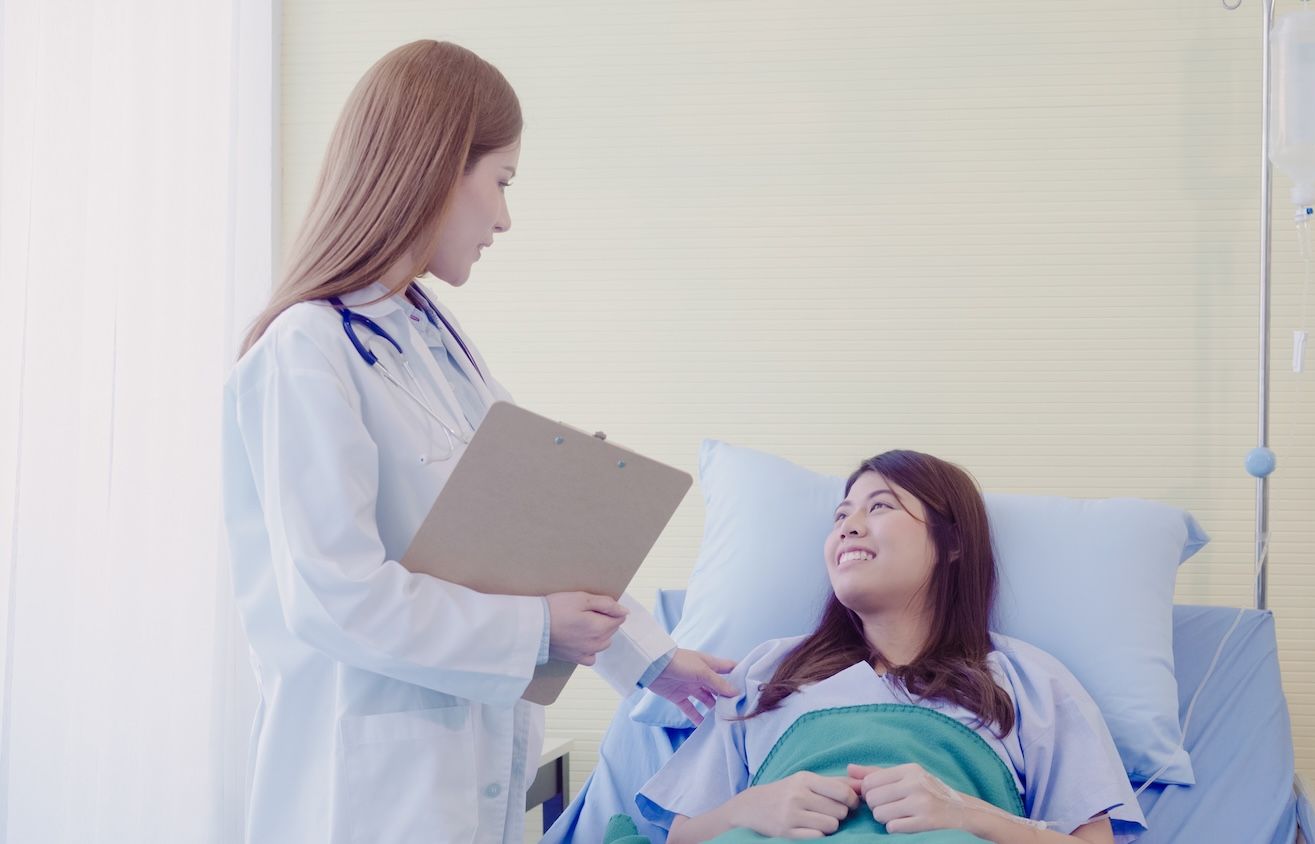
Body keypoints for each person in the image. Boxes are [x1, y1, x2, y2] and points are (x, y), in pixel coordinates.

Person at [222, 40, 734, 844]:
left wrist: (649, 658)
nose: (503, 217)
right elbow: (334, 595)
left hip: (462, 774)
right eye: (500, 182)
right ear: (433, 166)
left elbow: (522, 538)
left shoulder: (432, 335)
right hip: (366, 792)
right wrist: (538, 631)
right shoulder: (303, 350)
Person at [637, 451, 1147, 844]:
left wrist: (965, 813)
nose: (848, 527)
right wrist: (747, 809)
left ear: (952, 543)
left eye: (879, 506)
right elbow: (681, 834)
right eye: (840, 515)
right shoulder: (767, 671)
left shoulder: (1026, 680)